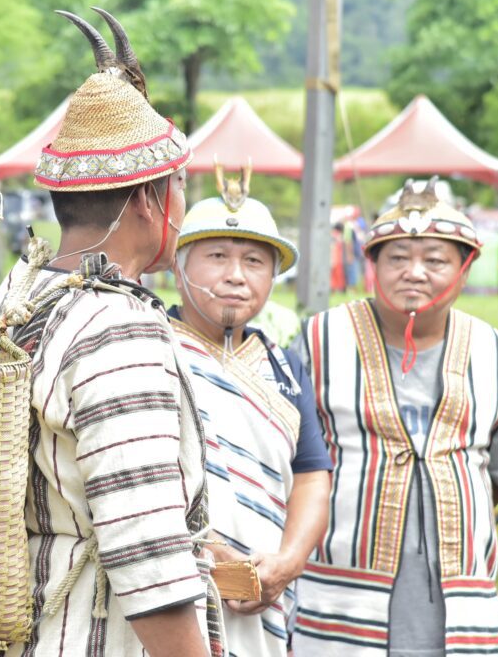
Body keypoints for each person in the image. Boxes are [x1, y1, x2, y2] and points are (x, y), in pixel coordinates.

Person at [0, 9, 219, 657]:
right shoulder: (116, 331)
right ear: (149, 200)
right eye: (178, 186)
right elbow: (147, 560)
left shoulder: (14, 297)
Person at [291, 178, 498, 656]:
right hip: (340, 593)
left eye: (434, 260)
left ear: (464, 270)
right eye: (397, 258)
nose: (414, 272)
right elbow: (285, 458)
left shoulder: (496, 352)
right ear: (373, 266)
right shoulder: (319, 341)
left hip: (460, 599)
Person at [167, 169, 331, 656]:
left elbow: (312, 476)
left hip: (267, 595)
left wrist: (288, 561)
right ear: (179, 267)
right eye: (217, 257)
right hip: (170, 586)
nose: (236, 275)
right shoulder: (150, 344)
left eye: (254, 261)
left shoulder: (285, 366)